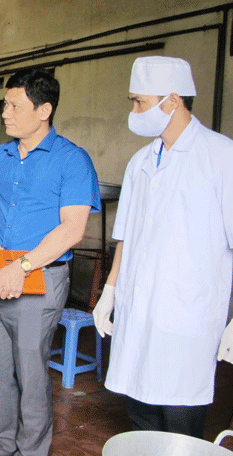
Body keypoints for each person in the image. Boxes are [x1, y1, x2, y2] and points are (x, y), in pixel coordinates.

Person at [93, 56, 233, 438]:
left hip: (187, 315)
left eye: (140, 101)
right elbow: (126, 235)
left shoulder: (222, 157)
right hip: (140, 309)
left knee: (179, 416)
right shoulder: (140, 163)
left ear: (172, 100)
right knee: (140, 409)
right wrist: (110, 291)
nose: (134, 110)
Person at [0, 69, 100, 456]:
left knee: (30, 372)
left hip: (39, 277)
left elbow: (72, 229)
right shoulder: (1, 155)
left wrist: (23, 266)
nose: (5, 114)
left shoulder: (72, 160)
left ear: (44, 110)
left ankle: (31, 452)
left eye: (14, 106)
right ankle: (1, 448)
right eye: (5, 105)